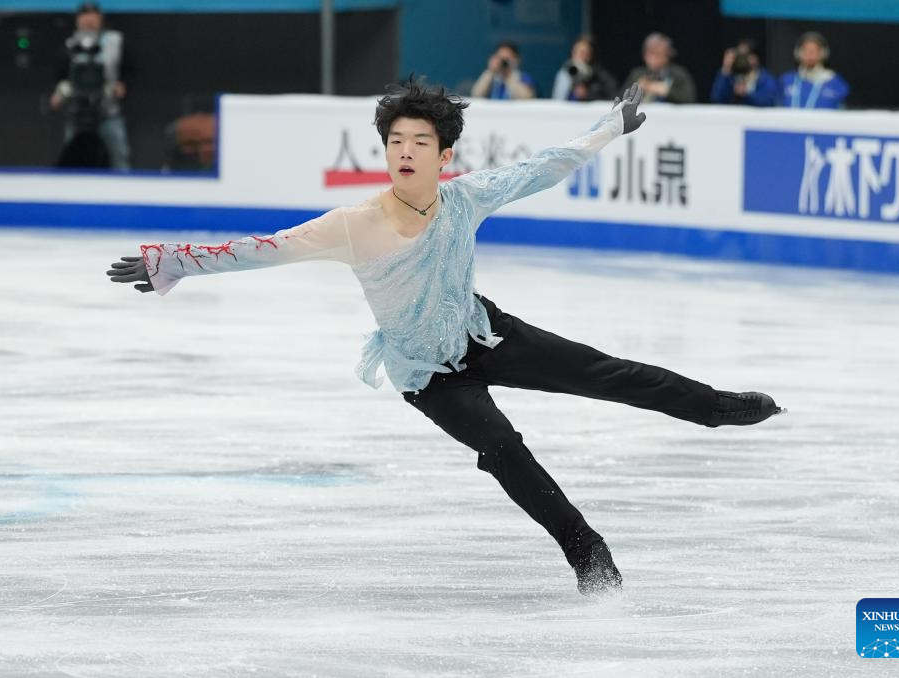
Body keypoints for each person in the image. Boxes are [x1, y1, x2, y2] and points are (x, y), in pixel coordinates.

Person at [107, 78, 784, 596]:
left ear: (443, 153)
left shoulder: (465, 197)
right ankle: (587, 552)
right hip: (425, 373)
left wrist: (610, 126)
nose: (405, 152)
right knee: (502, 448)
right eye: (395, 142)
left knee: (605, 371)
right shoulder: (352, 225)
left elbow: (545, 165)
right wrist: (170, 262)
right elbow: (261, 248)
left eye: (419, 142)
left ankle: (716, 407)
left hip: (484, 332)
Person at [50, 2, 131, 169]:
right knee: (73, 157)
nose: (89, 20)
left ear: (100, 18)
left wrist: (122, 85)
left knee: (120, 156)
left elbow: (130, 70)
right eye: (84, 15)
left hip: (108, 110)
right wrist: (59, 94)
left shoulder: (115, 42)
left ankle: (122, 184)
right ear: (77, 19)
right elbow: (60, 76)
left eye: (93, 15)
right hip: (77, 112)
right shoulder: (69, 45)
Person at [780, 32, 849, 109]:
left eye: (814, 51)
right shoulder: (787, 80)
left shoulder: (835, 82)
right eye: (806, 51)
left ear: (823, 54)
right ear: (798, 53)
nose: (809, 55)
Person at [624, 32, 696, 104]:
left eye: (658, 54)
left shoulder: (679, 74)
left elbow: (690, 99)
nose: (653, 59)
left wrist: (667, 91)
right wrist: (635, 91)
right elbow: (620, 99)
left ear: (668, 55)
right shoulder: (637, 74)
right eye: (650, 54)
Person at [710, 39, 779, 107]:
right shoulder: (729, 75)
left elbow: (769, 101)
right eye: (739, 55)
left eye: (746, 55)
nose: (742, 58)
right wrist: (726, 69)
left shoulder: (765, 78)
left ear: (755, 57)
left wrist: (746, 94)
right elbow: (716, 99)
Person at [552, 34, 618, 102]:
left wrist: (588, 95)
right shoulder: (565, 74)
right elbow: (557, 102)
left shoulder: (601, 77)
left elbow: (612, 100)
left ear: (590, 56)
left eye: (583, 53)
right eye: (575, 52)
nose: (578, 57)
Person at [470, 41, 536, 100]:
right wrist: (490, 71)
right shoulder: (492, 77)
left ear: (516, 59)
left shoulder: (523, 77)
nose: (503, 63)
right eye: (501, 58)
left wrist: (509, 75)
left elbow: (526, 98)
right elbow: (476, 94)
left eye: (507, 59)